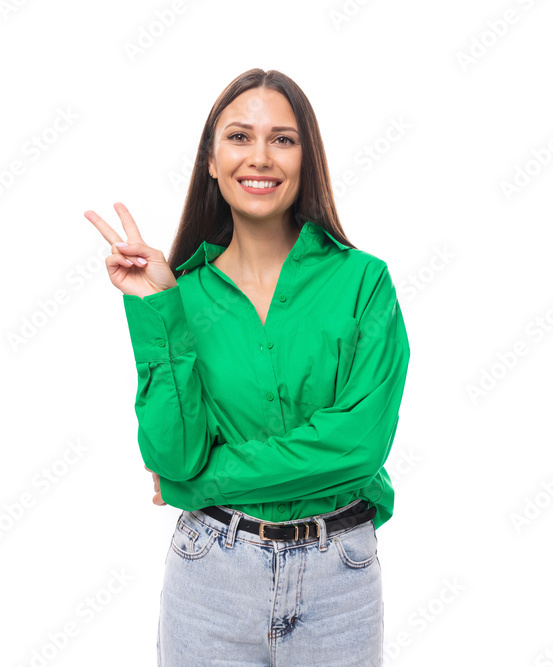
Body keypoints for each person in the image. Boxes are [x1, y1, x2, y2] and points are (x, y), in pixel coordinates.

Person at [85, 68, 410, 666]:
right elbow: (174, 457)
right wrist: (157, 308)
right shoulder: (181, 296)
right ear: (211, 161)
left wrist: (195, 486)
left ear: (307, 159)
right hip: (211, 578)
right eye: (239, 137)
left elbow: (356, 447)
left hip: (339, 581)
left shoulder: (364, 282)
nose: (260, 156)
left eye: (282, 139)